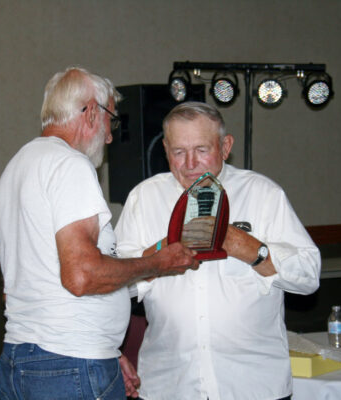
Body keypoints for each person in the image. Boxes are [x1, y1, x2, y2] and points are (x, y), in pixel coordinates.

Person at [0, 67, 199, 400]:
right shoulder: (69, 164)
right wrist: (158, 263)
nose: (110, 137)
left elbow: (27, 286)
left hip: (23, 360)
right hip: (69, 363)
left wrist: (107, 351)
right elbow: (82, 276)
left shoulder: (16, 167)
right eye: (110, 121)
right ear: (91, 112)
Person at [114, 101, 322, 400]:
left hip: (253, 386)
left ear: (225, 147)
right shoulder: (144, 198)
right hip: (170, 385)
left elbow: (308, 276)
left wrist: (248, 248)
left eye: (201, 149)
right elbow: (114, 287)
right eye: (178, 151)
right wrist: (157, 257)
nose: (190, 163)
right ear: (165, 150)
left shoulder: (263, 194)